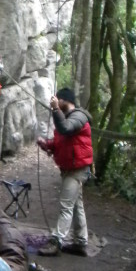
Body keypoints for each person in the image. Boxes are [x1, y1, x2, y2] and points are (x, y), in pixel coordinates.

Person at [37, 87, 93, 257]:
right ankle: (80, 242)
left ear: (64, 100)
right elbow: (62, 140)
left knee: (66, 205)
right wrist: (47, 145)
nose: (55, 101)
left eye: (57, 99)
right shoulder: (66, 118)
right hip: (70, 169)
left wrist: (54, 109)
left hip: (77, 170)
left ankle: (56, 241)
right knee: (76, 205)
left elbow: (66, 129)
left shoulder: (79, 117)